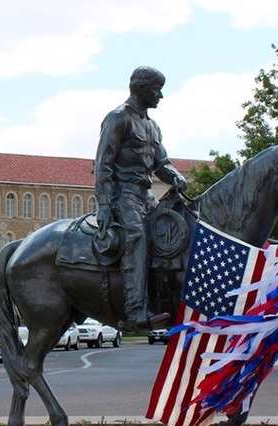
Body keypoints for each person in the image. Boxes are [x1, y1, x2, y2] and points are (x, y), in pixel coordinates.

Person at [94, 66, 187, 330]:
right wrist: (104, 205)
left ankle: (165, 299)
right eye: (157, 90)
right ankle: (135, 310)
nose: (161, 96)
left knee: (172, 233)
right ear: (141, 88)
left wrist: (176, 176)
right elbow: (103, 164)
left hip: (145, 195)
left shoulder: (152, 126)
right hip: (123, 194)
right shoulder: (118, 118)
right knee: (137, 237)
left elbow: (162, 163)